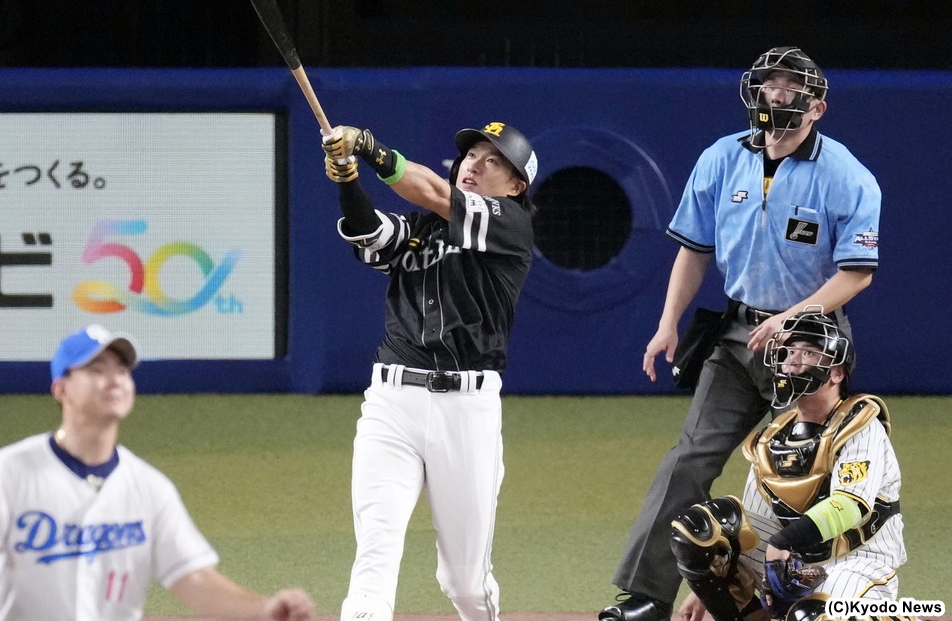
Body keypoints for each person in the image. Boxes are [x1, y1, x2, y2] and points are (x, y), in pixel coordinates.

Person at [601, 46, 882, 621]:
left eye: (789, 88)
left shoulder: (847, 175)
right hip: (737, 337)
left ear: (817, 107)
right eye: (768, 85)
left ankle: (826, 597)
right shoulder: (721, 158)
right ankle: (645, 598)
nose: (776, 96)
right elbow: (694, 251)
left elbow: (856, 273)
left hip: (812, 347)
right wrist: (667, 323)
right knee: (689, 460)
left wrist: (795, 318)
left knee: (814, 474)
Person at [320, 121, 538, 621]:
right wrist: (349, 180)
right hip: (392, 402)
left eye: (493, 161)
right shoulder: (423, 230)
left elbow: (434, 191)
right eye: (471, 156)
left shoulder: (511, 225)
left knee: (465, 584)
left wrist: (373, 149)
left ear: (516, 186)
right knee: (375, 554)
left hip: (467, 411)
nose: (475, 165)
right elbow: (369, 234)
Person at [0, 324, 315, 621]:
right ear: (61, 389)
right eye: (96, 369)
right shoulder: (12, 470)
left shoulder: (149, 488)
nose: (114, 379)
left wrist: (266, 609)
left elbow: (196, 579)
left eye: (122, 369)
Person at [669, 309, 905, 621]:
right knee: (698, 532)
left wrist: (781, 545)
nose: (793, 360)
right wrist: (708, 582)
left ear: (837, 373)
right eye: (789, 351)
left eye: (808, 352)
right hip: (795, 559)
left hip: (859, 559)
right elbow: (752, 522)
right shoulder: (773, 438)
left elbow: (850, 506)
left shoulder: (860, 424)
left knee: (812, 616)